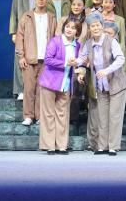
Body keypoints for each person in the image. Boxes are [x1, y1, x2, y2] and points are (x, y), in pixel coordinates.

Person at [76, 12, 126, 156]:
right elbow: (82, 58)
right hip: (100, 86)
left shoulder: (111, 41)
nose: (95, 28)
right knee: (102, 117)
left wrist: (107, 70)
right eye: (92, 26)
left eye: (97, 25)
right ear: (89, 28)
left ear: (102, 26)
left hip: (117, 85)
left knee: (114, 116)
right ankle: (102, 146)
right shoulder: (88, 43)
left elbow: (120, 59)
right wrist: (75, 62)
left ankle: (113, 146)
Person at [38, 19, 82, 155]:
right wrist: (65, 63)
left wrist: (79, 68)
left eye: (73, 28)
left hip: (65, 84)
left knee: (62, 115)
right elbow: (48, 59)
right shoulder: (55, 41)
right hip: (50, 82)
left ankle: (61, 146)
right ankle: (50, 146)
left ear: (77, 32)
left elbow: (79, 62)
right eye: (67, 26)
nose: (69, 29)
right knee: (48, 114)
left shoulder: (77, 45)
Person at [15, 0, 57, 126]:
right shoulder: (26, 16)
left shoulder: (51, 17)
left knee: (42, 89)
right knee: (28, 89)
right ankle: (28, 116)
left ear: (47, 0)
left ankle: (39, 116)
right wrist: (21, 56)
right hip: (29, 59)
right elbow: (20, 37)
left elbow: (55, 38)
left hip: (46, 60)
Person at [9, 0, 42, 100]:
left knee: (37, 60)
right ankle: (20, 90)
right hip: (23, 30)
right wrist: (13, 32)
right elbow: (14, 13)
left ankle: (36, 89)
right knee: (20, 59)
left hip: (39, 30)